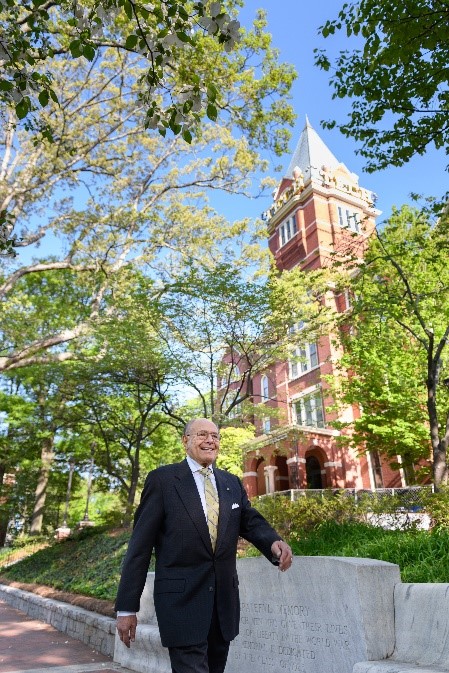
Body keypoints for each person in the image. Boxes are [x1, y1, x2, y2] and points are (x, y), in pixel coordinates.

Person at [115, 417, 293, 673]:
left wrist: (273, 542)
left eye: (215, 436)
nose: (210, 440)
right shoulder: (163, 481)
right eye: (202, 435)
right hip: (181, 607)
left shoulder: (231, 483)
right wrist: (126, 608)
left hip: (223, 608)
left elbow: (249, 521)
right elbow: (139, 548)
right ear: (185, 441)